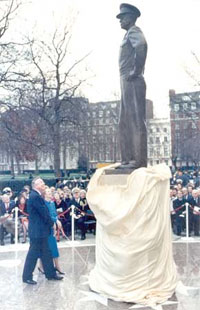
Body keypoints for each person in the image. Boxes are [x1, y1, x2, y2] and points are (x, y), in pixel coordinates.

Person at [116, 3, 147, 169]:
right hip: (125, 81)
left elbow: (141, 45)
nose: (120, 20)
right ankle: (127, 159)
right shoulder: (127, 34)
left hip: (131, 80)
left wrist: (136, 71)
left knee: (135, 119)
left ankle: (138, 160)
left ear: (131, 18)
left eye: (123, 17)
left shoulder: (134, 31)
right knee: (124, 121)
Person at [22, 177, 63, 285]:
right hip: (37, 232)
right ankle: (26, 277)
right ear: (36, 185)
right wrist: (52, 223)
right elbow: (43, 213)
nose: (44, 184)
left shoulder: (37, 196)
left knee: (46, 252)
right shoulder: (35, 196)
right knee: (33, 254)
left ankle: (51, 274)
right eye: (41, 183)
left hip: (40, 231)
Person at [38, 187, 65, 275]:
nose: (50, 193)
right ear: (44, 194)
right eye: (48, 192)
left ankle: (57, 266)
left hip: (52, 227)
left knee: (53, 247)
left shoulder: (52, 203)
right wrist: (56, 221)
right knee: (45, 248)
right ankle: (41, 266)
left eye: (50, 192)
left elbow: (54, 214)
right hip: (46, 228)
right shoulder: (43, 204)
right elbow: (47, 215)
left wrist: (57, 220)